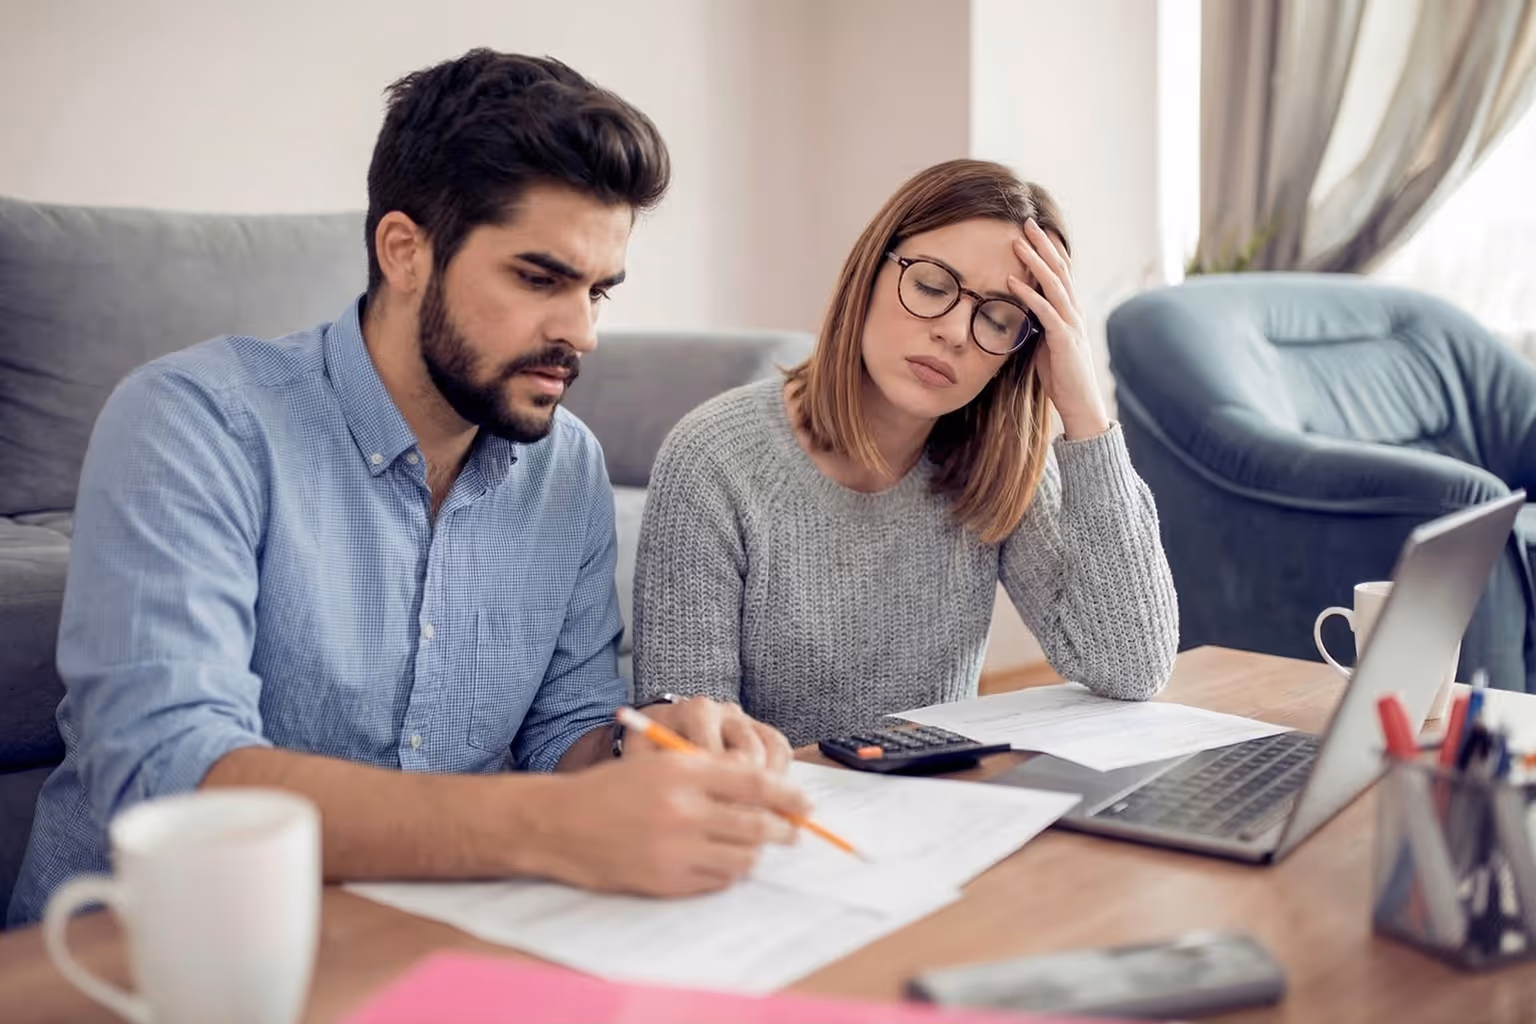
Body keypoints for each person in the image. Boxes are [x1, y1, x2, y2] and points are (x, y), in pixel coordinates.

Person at [8, 49, 805, 928]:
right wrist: (549, 825)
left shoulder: (565, 465)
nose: (580, 332)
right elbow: (172, 773)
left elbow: (559, 734)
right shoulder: (195, 421)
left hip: (437, 938)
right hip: (146, 957)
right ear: (405, 251)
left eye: (598, 291)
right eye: (539, 279)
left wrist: (649, 753)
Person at [632, 159, 1180, 747]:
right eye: (931, 286)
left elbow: (1131, 666)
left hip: (942, 811)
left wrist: (1085, 414)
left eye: (998, 318)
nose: (954, 331)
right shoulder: (714, 459)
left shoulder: (999, 465)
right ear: (869, 272)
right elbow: (687, 743)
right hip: (778, 819)